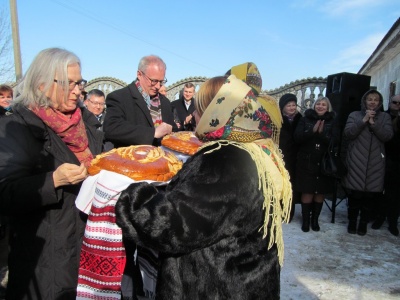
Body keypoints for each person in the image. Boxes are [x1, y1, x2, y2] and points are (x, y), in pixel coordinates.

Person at [115, 75, 291, 299]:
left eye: (200, 109)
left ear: (215, 111)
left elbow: (175, 227)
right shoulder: (255, 148)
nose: (195, 116)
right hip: (244, 281)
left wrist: (133, 197)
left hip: (216, 286)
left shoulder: (225, 159)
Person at [0, 47, 104, 299]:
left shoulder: (86, 121)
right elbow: (5, 193)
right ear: (43, 84)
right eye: (69, 83)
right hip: (46, 256)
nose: (78, 90)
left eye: (80, 82)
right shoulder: (19, 126)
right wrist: (54, 180)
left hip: (88, 244)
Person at [342, 90, 393, 236]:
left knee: (369, 197)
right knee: (355, 195)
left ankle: (363, 224)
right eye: (369, 99)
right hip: (356, 160)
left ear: (380, 102)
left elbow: (387, 136)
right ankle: (352, 222)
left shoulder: (385, 117)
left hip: (375, 163)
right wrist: (363, 120)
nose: (372, 102)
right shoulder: (354, 115)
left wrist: (374, 124)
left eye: (375, 100)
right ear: (364, 101)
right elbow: (348, 133)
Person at [103, 55, 177, 147]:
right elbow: (111, 128)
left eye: (161, 81)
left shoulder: (165, 102)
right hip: (131, 158)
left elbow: (173, 130)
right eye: (154, 81)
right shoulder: (119, 97)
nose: (158, 86)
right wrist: (152, 133)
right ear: (139, 74)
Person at [294, 96, 339, 232]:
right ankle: (306, 221)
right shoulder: (305, 119)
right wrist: (311, 132)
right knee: (307, 190)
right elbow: (297, 138)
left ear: (328, 107)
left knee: (320, 191)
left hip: (323, 162)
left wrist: (322, 134)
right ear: (314, 106)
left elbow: (335, 141)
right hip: (307, 160)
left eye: (323, 104)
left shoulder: (333, 121)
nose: (320, 106)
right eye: (318, 104)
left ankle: (315, 220)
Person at [370, 94, 400, 236]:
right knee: (379, 191)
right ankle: (379, 217)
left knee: (395, 194)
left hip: (397, 161)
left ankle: (393, 221)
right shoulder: (383, 116)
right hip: (382, 158)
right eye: (395, 102)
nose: (397, 105)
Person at [279, 93, 302, 222]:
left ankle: (289, 212)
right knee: (282, 184)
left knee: (292, 186)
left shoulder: (301, 119)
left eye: (294, 105)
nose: (292, 108)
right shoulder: (278, 120)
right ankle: (279, 210)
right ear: (283, 107)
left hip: (296, 158)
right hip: (282, 156)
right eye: (289, 105)